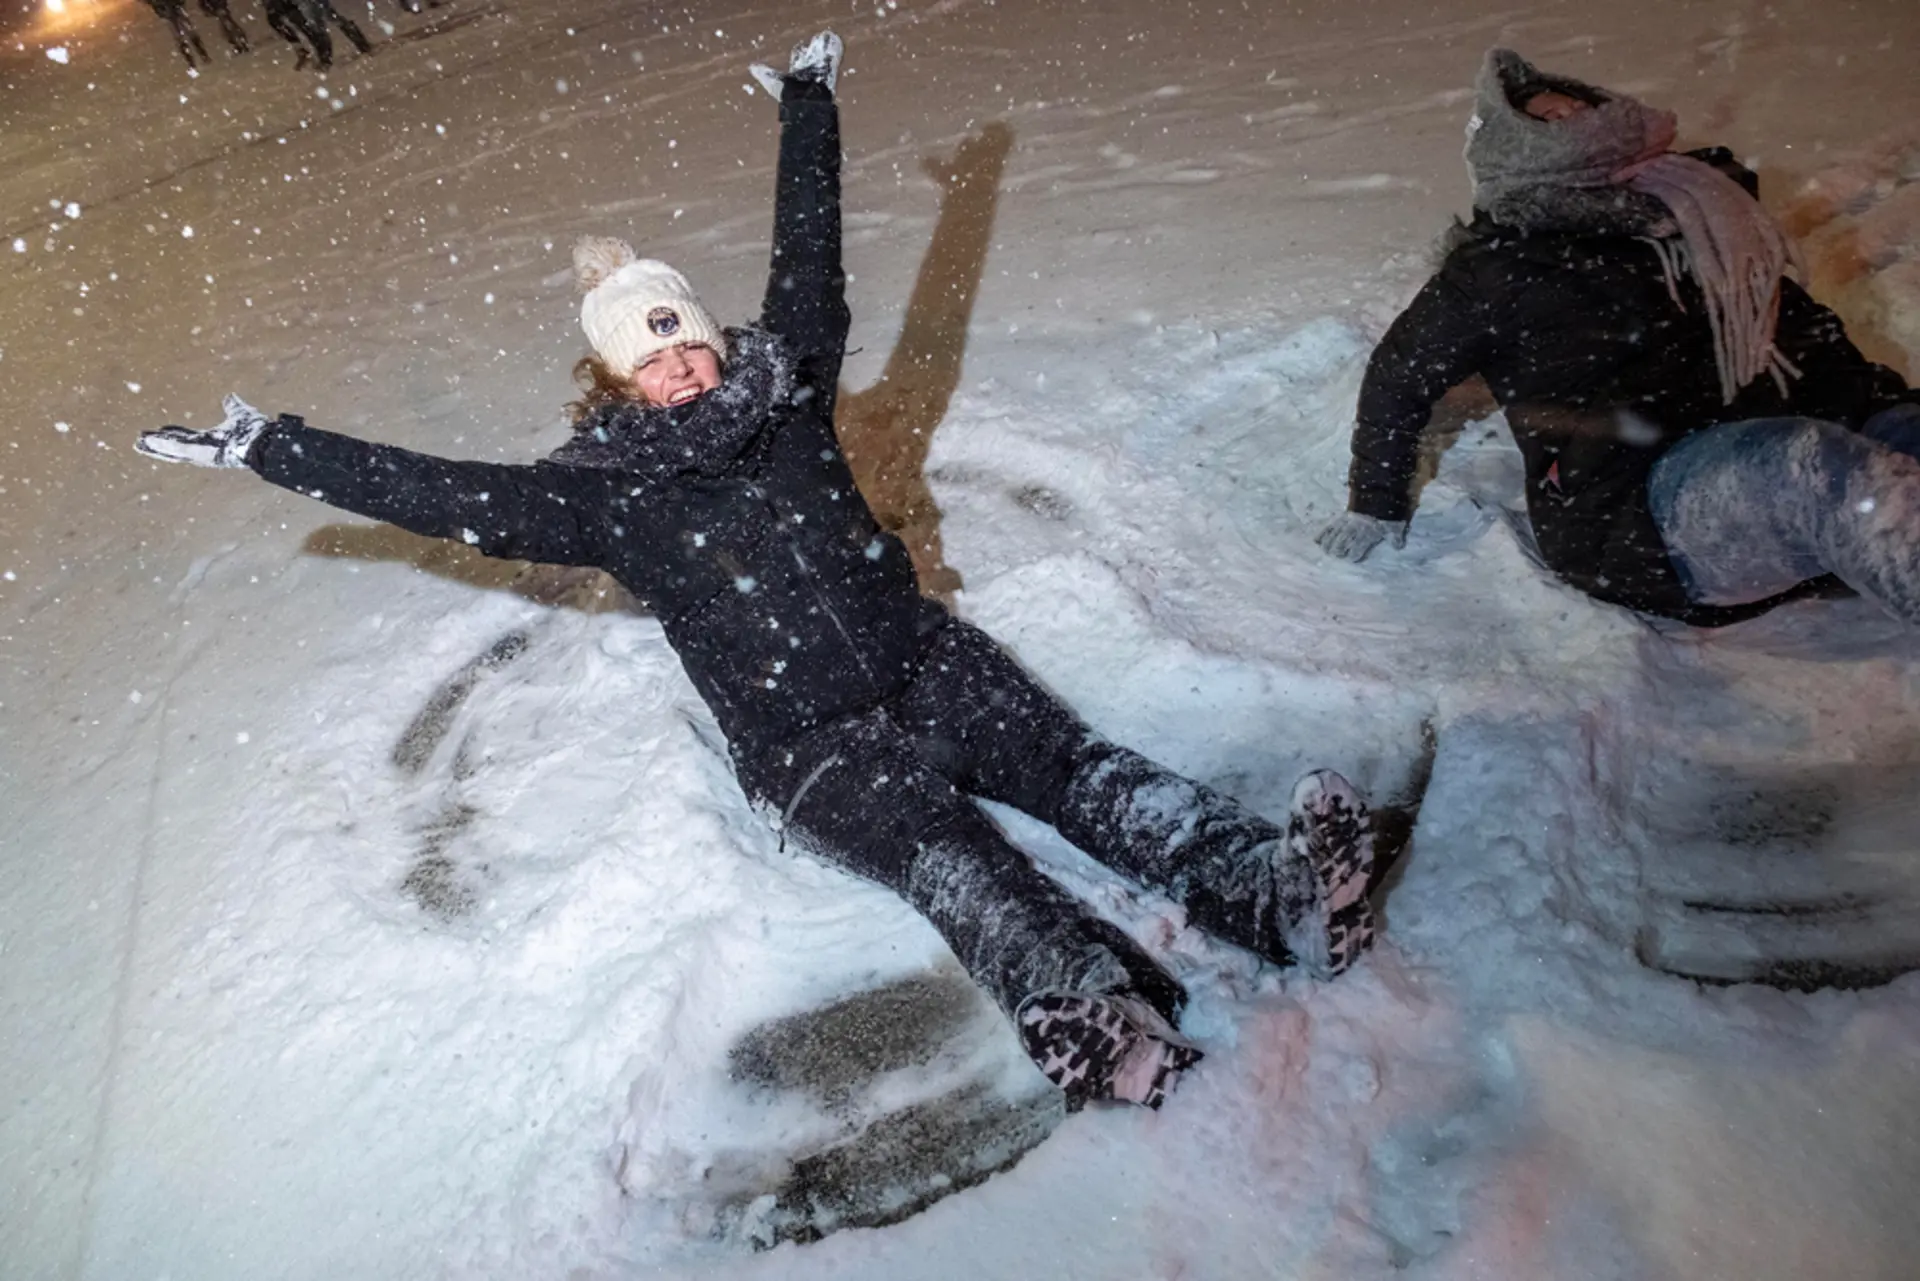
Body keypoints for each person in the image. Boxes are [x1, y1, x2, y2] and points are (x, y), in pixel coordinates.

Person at [136, 33, 1377, 1111]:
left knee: (1088, 774)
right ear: (618, 378)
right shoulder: (601, 497)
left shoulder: (786, 402)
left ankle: (1276, 896)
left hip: (926, 659)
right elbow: (444, 494)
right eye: (648, 356)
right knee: (960, 868)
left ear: (712, 340)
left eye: (685, 340)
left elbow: (810, 264)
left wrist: (807, 107)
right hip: (808, 748)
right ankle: (1093, 1026)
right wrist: (273, 446)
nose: (677, 367)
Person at [1318, 48, 1920, 628]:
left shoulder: (1699, 214)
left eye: (1579, 107)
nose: (1574, 120)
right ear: (1516, 150)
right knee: (1808, 465)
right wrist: (1375, 503)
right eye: (1550, 120)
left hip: (1762, 462)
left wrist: (1887, 415)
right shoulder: (1500, 267)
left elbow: (1801, 336)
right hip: (1635, 514)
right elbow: (1397, 378)